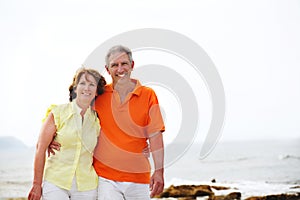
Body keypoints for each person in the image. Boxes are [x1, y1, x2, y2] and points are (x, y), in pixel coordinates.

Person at [93, 45, 165, 200]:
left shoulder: (148, 95)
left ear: (132, 65)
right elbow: (76, 117)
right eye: (114, 65)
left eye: (124, 63)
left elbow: (155, 135)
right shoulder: (98, 96)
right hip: (105, 177)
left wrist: (159, 171)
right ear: (107, 69)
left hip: (139, 177)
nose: (120, 69)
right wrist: (53, 137)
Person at [28, 68, 106, 200]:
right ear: (75, 88)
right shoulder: (58, 113)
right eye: (82, 83)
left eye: (92, 84)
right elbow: (40, 148)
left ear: (97, 91)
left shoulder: (97, 121)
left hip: (87, 186)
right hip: (56, 182)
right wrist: (36, 184)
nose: (86, 88)